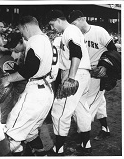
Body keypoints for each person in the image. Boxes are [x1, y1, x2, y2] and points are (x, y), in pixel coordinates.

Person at [1, 15, 54, 156]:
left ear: (25, 27)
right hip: (46, 91)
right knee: (31, 133)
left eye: (21, 30)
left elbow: (30, 69)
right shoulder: (45, 39)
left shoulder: (35, 40)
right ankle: (42, 155)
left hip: (35, 92)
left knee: (10, 134)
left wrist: (9, 79)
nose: (22, 34)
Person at [46, 9, 91, 156]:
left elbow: (76, 51)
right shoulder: (72, 31)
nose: (53, 28)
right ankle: (86, 145)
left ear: (58, 20)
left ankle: (57, 149)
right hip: (83, 74)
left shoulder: (70, 30)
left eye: (52, 24)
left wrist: (71, 77)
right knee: (81, 110)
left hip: (75, 74)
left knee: (59, 111)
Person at [68, 10, 118, 142]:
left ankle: (83, 133)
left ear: (83, 18)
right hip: (84, 73)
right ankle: (104, 129)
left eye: (74, 23)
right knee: (99, 102)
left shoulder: (99, 31)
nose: (73, 26)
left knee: (88, 105)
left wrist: (105, 66)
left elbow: (113, 50)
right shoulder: (76, 35)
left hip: (97, 73)